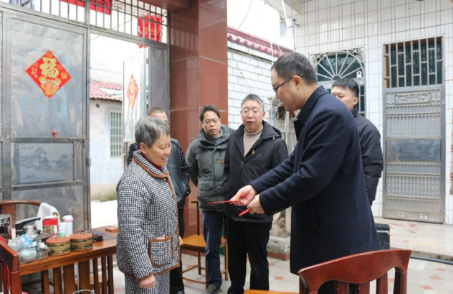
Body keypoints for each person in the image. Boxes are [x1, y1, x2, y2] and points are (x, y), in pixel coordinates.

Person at [231, 52, 381, 294]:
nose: (276, 96)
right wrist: (256, 187)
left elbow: (310, 177)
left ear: (297, 82)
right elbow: (293, 164)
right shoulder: (318, 112)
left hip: (337, 240)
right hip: (325, 235)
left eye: (277, 88)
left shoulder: (328, 114)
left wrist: (265, 202)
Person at [223, 94, 288, 294]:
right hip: (233, 212)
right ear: (240, 113)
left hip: (257, 213)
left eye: (254, 110)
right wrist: (227, 187)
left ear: (263, 113)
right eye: (245, 111)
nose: (249, 115)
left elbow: (282, 178)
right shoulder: (233, 137)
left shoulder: (275, 142)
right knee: (234, 257)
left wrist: (266, 203)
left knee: (258, 261)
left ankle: (259, 292)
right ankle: (235, 289)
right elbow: (227, 167)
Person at [127, 107, 190, 294]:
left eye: (169, 146)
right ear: (143, 148)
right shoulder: (133, 180)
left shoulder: (159, 168)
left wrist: (172, 235)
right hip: (146, 265)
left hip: (160, 254)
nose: (168, 152)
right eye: (162, 147)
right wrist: (143, 272)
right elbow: (131, 232)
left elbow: (160, 210)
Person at [186, 105, 232, 294]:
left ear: (220, 121)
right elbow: (191, 170)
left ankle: (236, 283)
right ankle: (214, 282)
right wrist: (204, 186)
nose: (211, 124)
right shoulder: (196, 145)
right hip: (209, 205)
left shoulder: (233, 140)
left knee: (235, 246)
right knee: (211, 248)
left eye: (214, 120)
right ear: (202, 124)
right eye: (207, 121)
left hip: (231, 202)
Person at [331, 78, 384, 206]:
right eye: (332, 96)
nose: (334, 100)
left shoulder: (367, 129)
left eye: (340, 96)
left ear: (355, 101)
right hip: (328, 199)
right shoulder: (329, 124)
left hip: (351, 199)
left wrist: (364, 203)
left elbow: (372, 168)